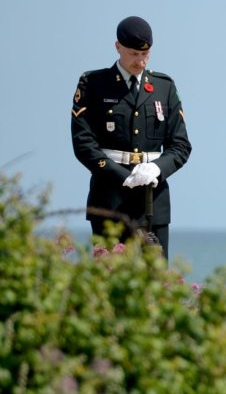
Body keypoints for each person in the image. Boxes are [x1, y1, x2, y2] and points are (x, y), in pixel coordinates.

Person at [71, 16, 192, 258]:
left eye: (145, 54)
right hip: (109, 200)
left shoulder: (164, 87)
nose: (140, 61)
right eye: (134, 54)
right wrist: (123, 177)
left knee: (156, 283)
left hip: (152, 201)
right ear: (118, 47)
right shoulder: (93, 84)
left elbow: (180, 145)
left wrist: (157, 169)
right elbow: (83, 143)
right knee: (108, 278)